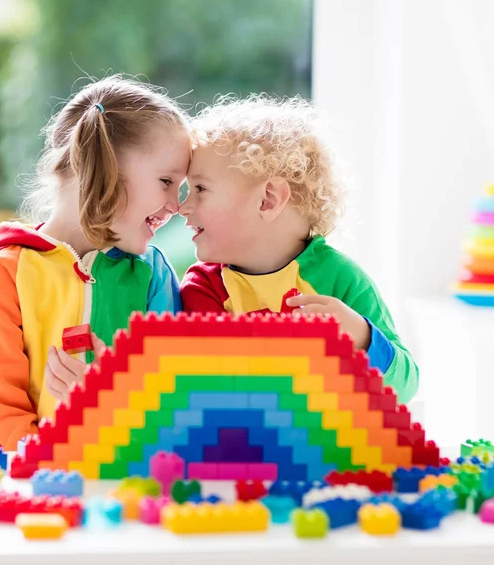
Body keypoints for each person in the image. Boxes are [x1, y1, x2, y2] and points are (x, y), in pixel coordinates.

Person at [0, 75, 191, 449]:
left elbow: (174, 395)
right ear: (104, 165)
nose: (176, 205)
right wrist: (48, 466)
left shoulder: (153, 275)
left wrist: (109, 401)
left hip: (128, 481)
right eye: (166, 181)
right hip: (38, 487)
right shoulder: (6, 273)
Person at [179, 94, 418, 403]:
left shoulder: (341, 280)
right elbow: (210, 387)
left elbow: (406, 387)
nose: (182, 207)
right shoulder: (203, 287)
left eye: (200, 189)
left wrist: (362, 338)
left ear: (268, 200)